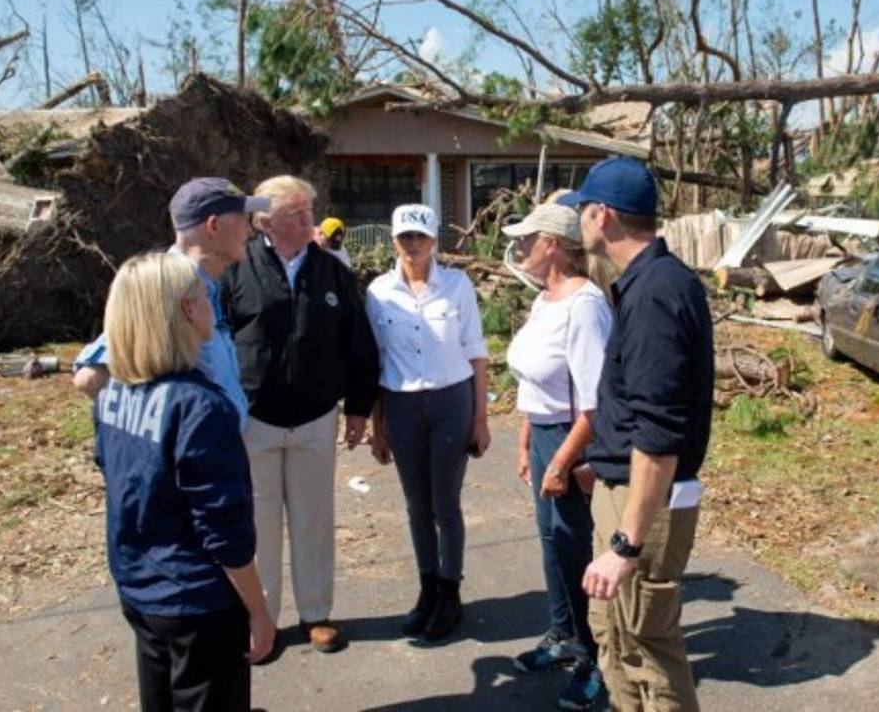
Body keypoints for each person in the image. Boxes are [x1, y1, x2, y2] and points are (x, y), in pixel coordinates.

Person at [560, 157, 714, 711]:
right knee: (616, 635)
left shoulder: (654, 294)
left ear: (602, 216)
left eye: (581, 211)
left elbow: (659, 432)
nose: (578, 222)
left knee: (648, 644)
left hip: (644, 501)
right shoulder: (644, 282)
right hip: (623, 487)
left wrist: (627, 543)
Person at [93, 252, 274, 711]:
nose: (213, 302)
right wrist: (258, 609)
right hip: (198, 602)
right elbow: (225, 533)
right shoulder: (200, 407)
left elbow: (112, 472)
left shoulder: (112, 391)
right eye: (204, 294)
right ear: (187, 311)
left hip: (139, 587)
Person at [220, 175, 380, 655]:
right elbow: (217, 342)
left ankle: (317, 614)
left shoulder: (331, 271)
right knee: (259, 524)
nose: (310, 220)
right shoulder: (236, 268)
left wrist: (357, 407)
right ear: (265, 220)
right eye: (298, 213)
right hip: (254, 419)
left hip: (314, 417)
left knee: (313, 519)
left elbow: (358, 342)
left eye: (311, 210)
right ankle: (260, 621)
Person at [364, 203, 491, 642]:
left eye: (421, 237)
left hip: (451, 401)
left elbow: (476, 353)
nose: (413, 246)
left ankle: (450, 592)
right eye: (405, 238)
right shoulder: (378, 292)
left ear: (435, 240)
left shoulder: (456, 286)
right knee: (416, 505)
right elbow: (376, 362)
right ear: (394, 240)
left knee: (445, 502)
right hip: (401, 405)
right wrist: (379, 427)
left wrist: (480, 418)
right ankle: (427, 588)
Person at [503, 202, 612, 710]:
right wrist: (527, 440)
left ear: (552, 245)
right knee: (551, 543)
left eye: (527, 238)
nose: (519, 247)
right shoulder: (546, 299)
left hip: (573, 439)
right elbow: (536, 378)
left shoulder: (585, 305)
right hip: (545, 433)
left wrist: (563, 461)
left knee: (573, 547)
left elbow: (594, 402)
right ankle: (562, 633)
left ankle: (595, 657)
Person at [72, 177, 266, 431]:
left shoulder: (206, 285)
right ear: (213, 225)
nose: (251, 231)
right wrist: (171, 438)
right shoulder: (165, 288)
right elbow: (90, 379)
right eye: (244, 220)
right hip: (189, 465)